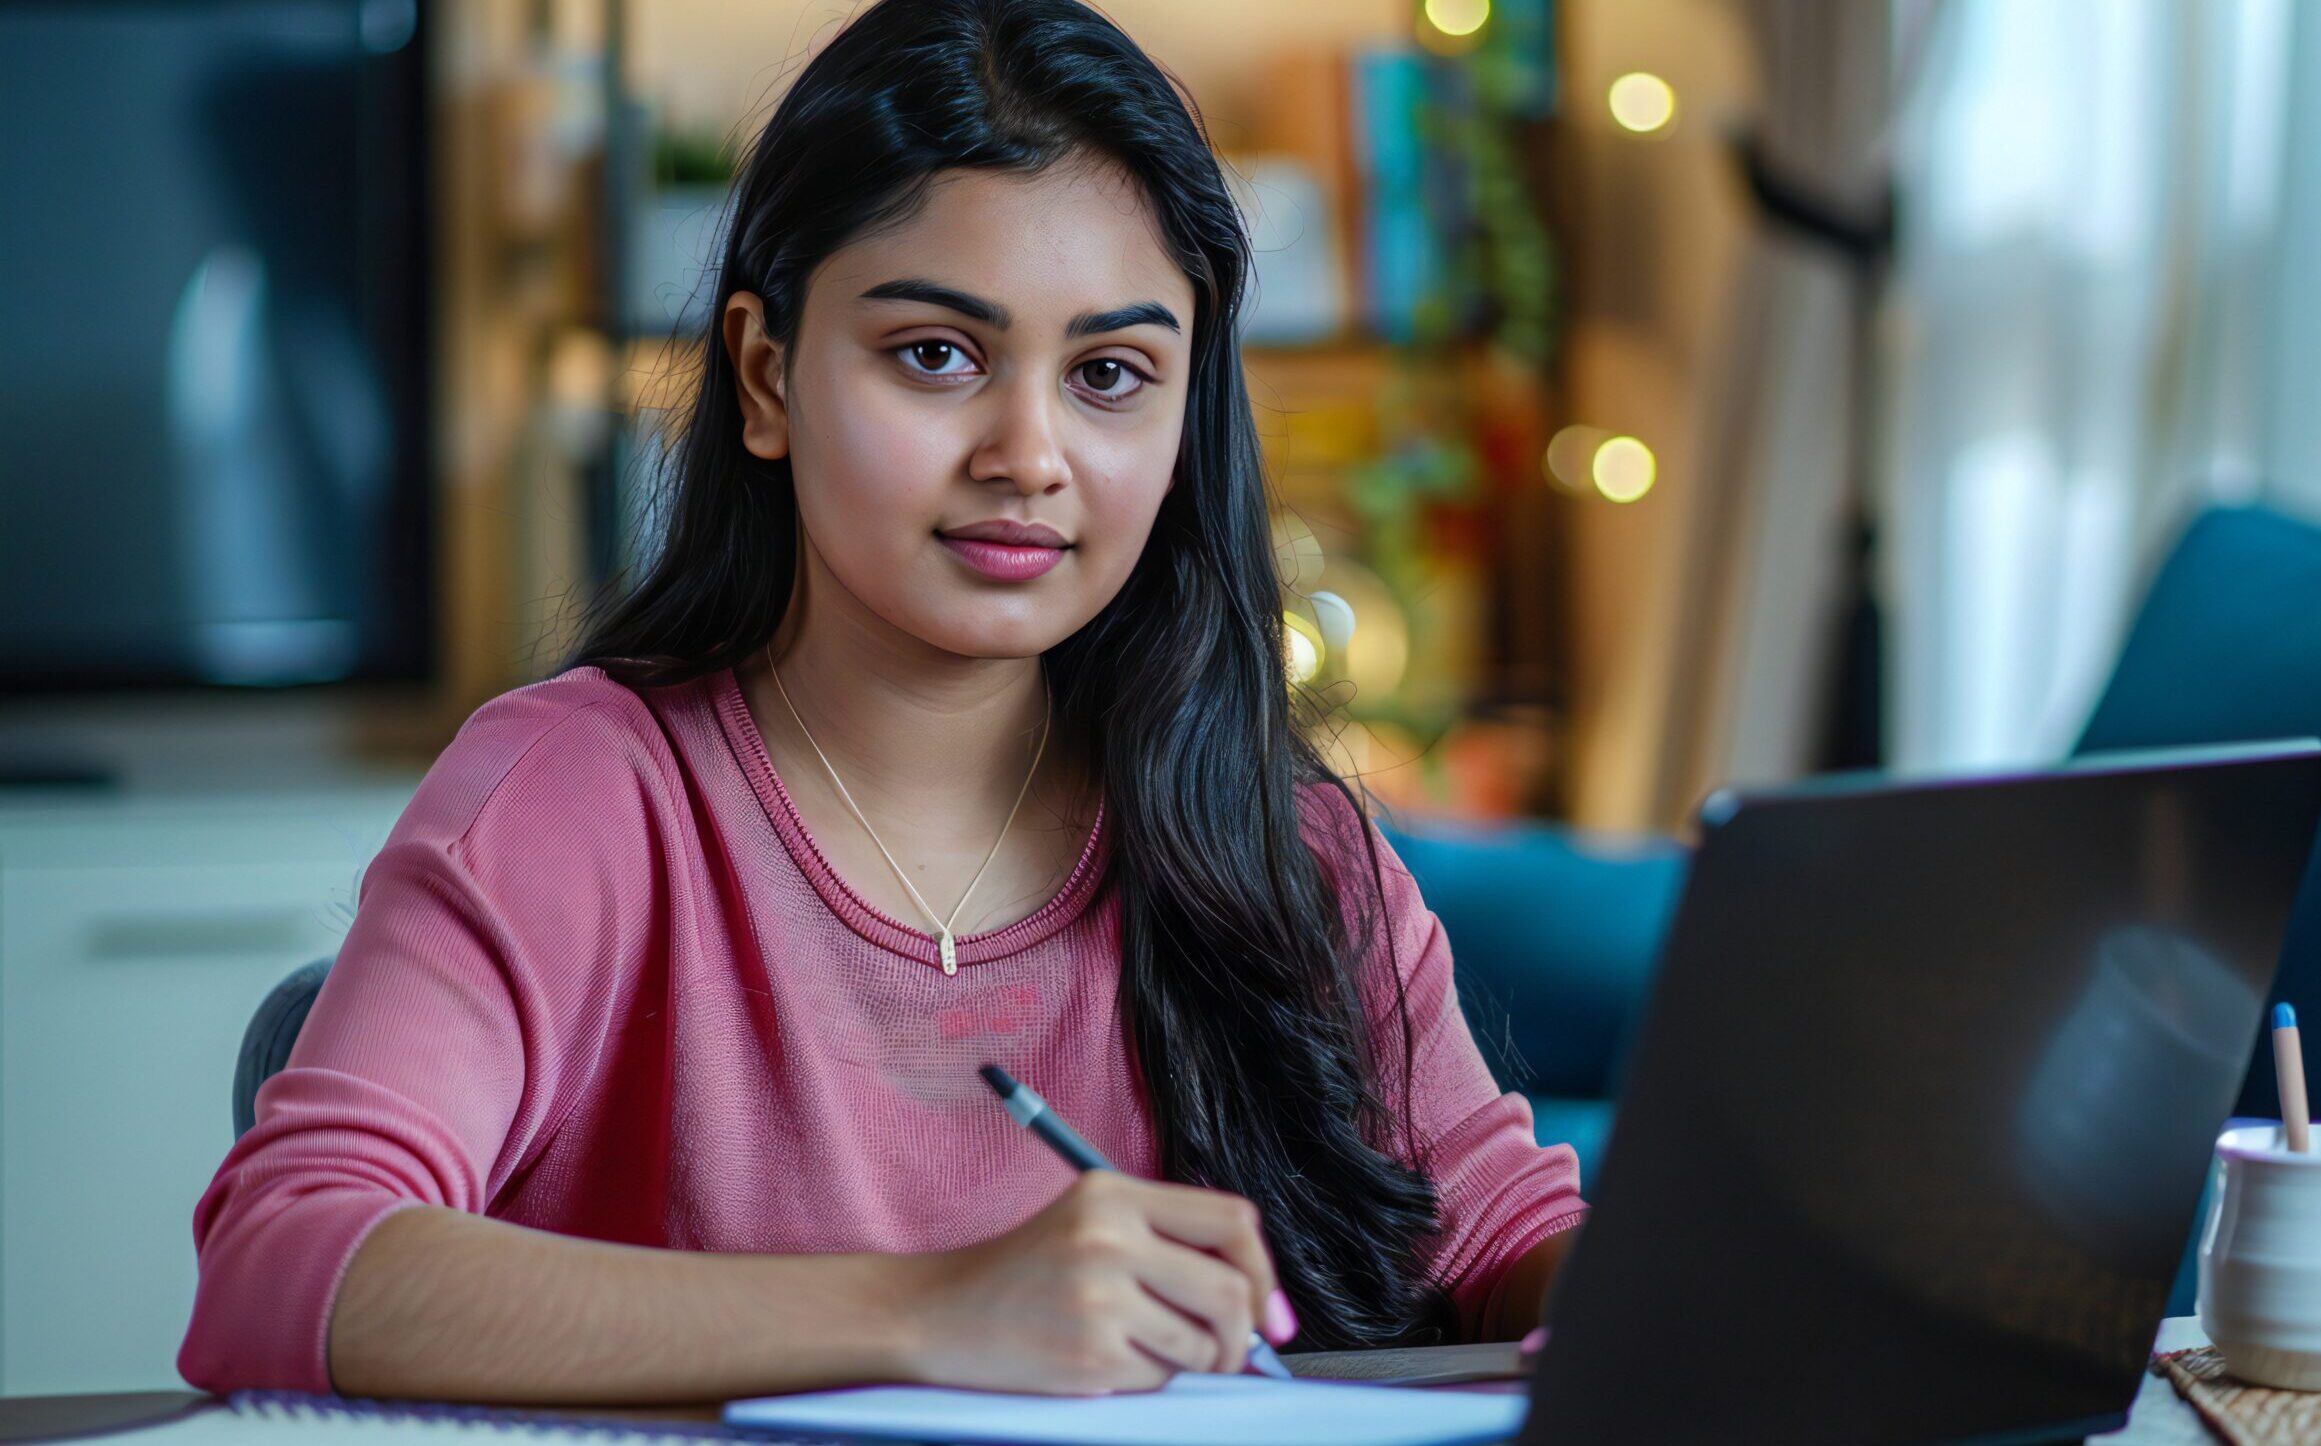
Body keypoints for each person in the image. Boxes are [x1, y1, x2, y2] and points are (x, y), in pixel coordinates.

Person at [177, 0, 1584, 1406]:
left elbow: (1512, 1234)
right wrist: (936, 1306)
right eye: (937, 355)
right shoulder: (582, 793)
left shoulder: (1286, 844)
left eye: (1109, 375)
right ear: (765, 372)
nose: (1028, 455)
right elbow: (284, 1267)